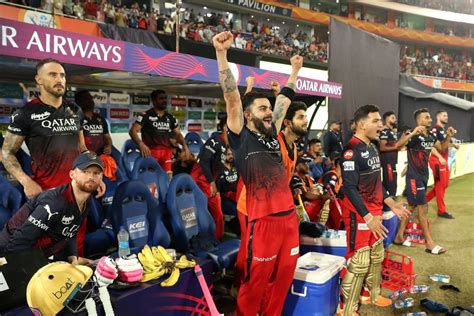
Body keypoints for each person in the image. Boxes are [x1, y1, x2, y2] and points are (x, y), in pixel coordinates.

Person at [213, 31, 303, 315]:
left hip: (288, 220)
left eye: (269, 108)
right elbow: (231, 97)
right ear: (248, 115)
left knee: (282, 280)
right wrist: (221, 54)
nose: (269, 112)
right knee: (255, 284)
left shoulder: (273, 132)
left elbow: (285, 101)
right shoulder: (241, 135)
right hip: (261, 224)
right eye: (263, 108)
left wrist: (295, 71)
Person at [339, 105, 410, 315]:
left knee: (377, 255)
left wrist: (391, 203)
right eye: (376, 121)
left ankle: (371, 293)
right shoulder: (351, 150)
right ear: (362, 124)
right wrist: (367, 216)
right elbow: (349, 187)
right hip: (359, 214)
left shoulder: (371, 146)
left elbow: (376, 182)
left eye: (380, 121)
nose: (381, 125)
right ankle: (346, 309)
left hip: (375, 210)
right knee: (360, 260)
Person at [1, 59, 89, 199]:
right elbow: (6, 153)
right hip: (45, 191)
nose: (59, 79)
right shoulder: (25, 113)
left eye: (62, 75)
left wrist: (93, 174)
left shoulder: (75, 110)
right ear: (39, 79)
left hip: (77, 189)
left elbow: (82, 147)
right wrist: (26, 181)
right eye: (53, 75)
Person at [0, 152, 103, 264]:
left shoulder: (86, 200)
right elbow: (19, 241)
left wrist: (72, 255)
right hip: (11, 252)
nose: (91, 177)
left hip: (41, 254)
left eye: (96, 173)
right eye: (84, 171)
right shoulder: (55, 202)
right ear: (72, 174)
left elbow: (70, 231)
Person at [394, 108, 455, 254]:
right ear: (419, 120)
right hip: (414, 177)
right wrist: (413, 132)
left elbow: (441, 149)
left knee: (411, 207)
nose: (430, 119)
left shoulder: (430, 135)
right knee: (423, 208)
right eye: (427, 117)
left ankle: (399, 237)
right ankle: (429, 243)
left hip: (423, 177)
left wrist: (447, 136)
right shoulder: (412, 134)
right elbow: (397, 145)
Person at [129, 89, 189, 179]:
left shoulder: (170, 117)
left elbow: (178, 134)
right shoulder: (146, 115)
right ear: (153, 101)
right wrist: (141, 144)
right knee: (152, 180)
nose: (164, 101)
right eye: (161, 98)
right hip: (151, 153)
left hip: (166, 154)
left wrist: (185, 146)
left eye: (165, 98)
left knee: (167, 179)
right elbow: (132, 131)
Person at [190, 119, 229, 239]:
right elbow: (204, 162)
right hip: (199, 181)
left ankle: (218, 240)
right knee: (199, 213)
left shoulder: (226, 145)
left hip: (210, 183)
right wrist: (212, 183)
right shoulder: (214, 141)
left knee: (218, 215)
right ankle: (197, 240)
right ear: (226, 128)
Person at [426, 110, 457, 219]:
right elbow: (433, 146)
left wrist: (453, 145)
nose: (446, 117)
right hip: (437, 161)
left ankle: (421, 201)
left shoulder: (442, 130)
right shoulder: (435, 130)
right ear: (438, 117)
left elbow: (443, 144)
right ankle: (441, 210)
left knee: (444, 184)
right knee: (440, 186)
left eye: (447, 115)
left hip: (443, 161)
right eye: (444, 115)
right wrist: (439, 157)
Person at [277, 101, 309, 183]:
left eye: (305, 117)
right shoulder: (275, 143)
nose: (306, 121)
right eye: (301, 117)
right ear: (287, 123)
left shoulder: (294, 148)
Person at [75, 90, 113, 156]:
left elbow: (107, 138)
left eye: (90, 98)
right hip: (84, 158)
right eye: (86, 99)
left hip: (101, 157)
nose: (90, 101)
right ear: (79, 102)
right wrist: (85, 152)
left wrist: (109, 146)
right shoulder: (75, 120)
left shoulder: (100, 119)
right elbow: (74, 143)